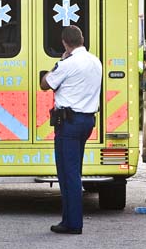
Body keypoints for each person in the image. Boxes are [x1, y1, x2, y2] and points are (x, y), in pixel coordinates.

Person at [41, 25, 102, 234]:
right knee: (73, 171)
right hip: (87, 121)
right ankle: (69, 219)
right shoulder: (96, 61)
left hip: (69, 123)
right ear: (82, 39)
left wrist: (59, 61)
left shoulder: (68, 63)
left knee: (68, 174)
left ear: (64, 43)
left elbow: (44, 83)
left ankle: (73, 223)